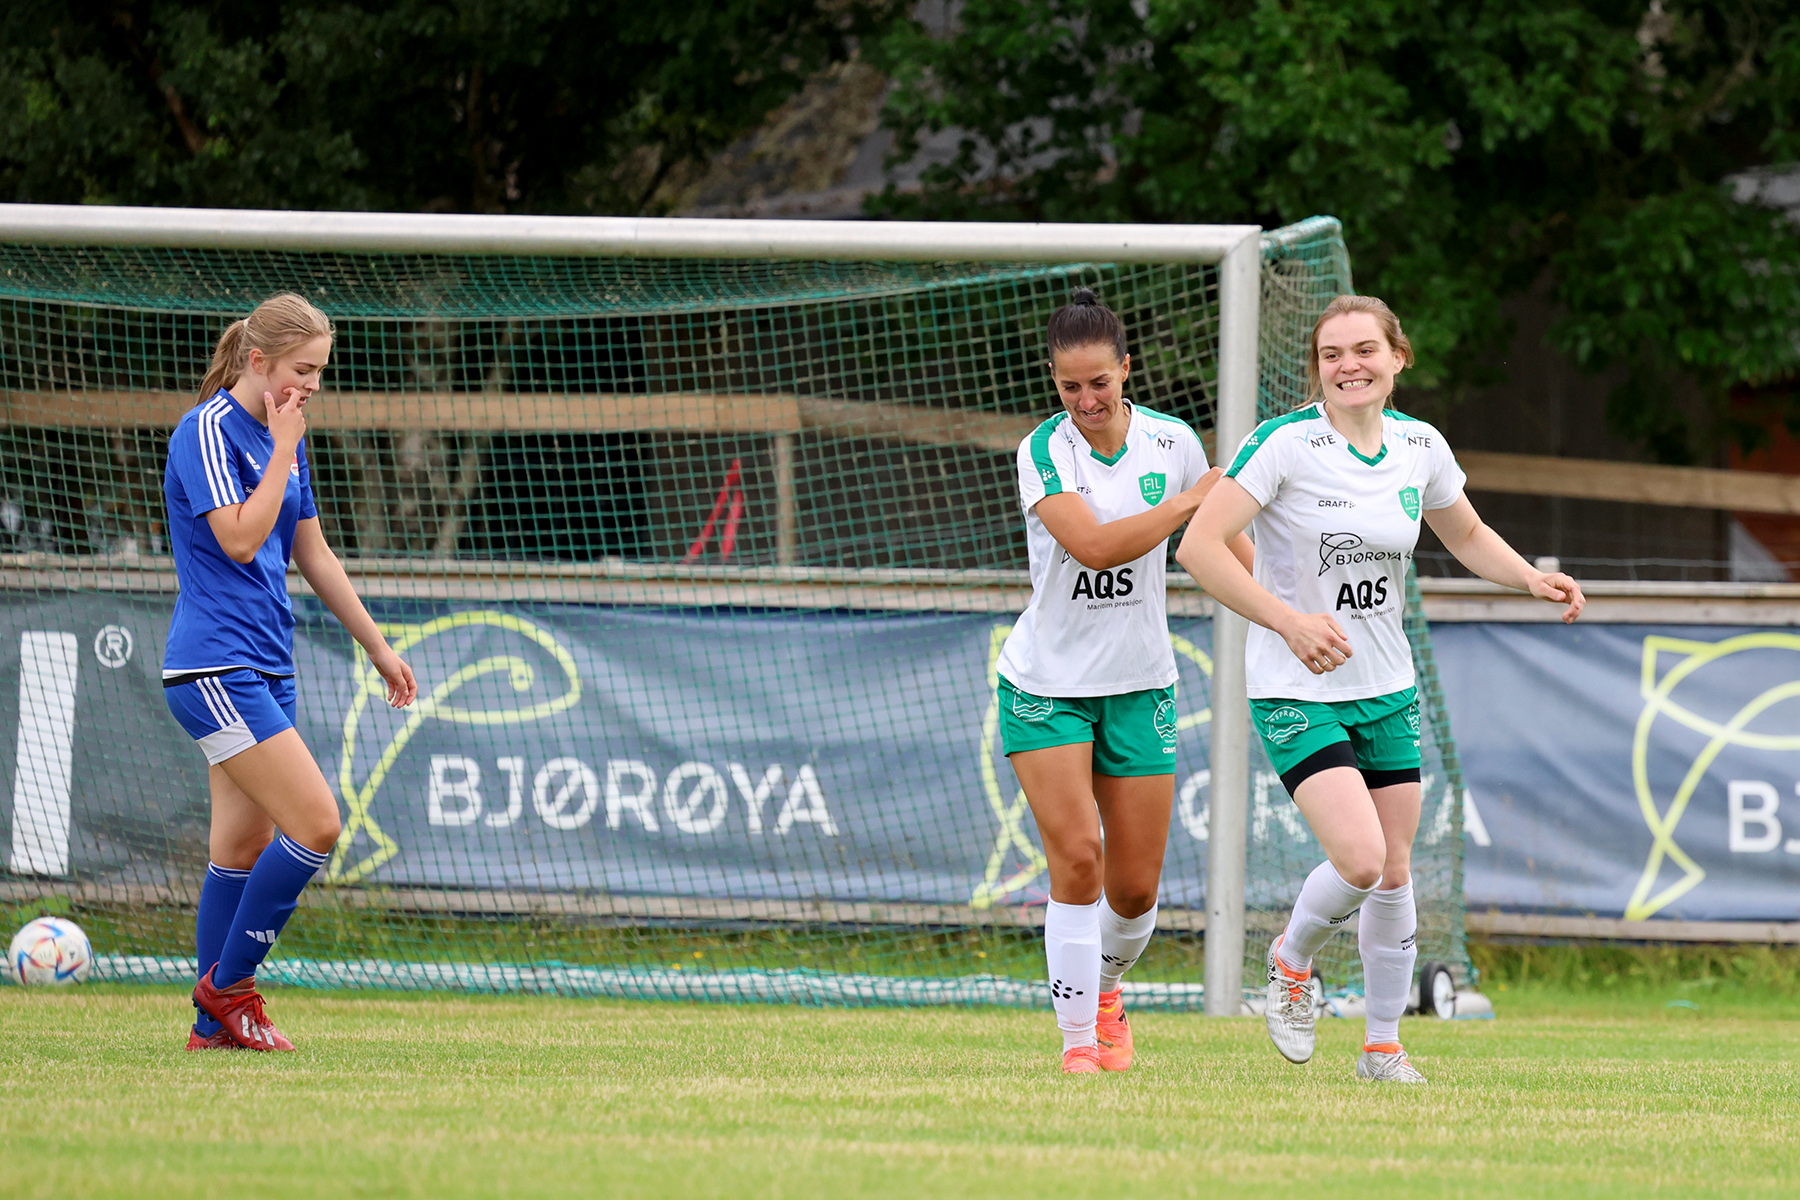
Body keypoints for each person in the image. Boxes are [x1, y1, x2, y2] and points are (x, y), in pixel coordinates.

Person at [1177, 294, 1584, 1082]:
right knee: (1360, 861)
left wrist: (1529, 577)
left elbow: (1462, 532)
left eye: (1365, 350)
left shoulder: (1418, 446)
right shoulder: (1284, 444)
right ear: (1317, 370)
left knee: (1396, 871)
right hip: (1296, 687)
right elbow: (1201, 544)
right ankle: (1291, 963)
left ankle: (1382, 1048)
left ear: (1399, 358)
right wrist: (1289, 621)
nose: (1348, 366)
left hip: (1387, 686)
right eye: (1332, 354)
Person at [997, 288, 1255, 1074]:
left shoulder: (1172, 441)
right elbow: (1096, 548)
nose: (1086, 400)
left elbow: (1226, 551)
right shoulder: (1044, 451)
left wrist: (1282, 608)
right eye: (1070, 387)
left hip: (1141, 684)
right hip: (1047, 685)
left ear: (1126, 369)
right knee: (1077, 859)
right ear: (1054, 382)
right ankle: (1079, 1048)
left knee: (1136, 889)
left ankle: (1104, 989)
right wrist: (1189, 502)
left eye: (1100, 383)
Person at [162, 293, 417, 1051]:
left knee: (240, 849)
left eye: (319, 374)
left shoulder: (287, 437)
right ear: (257, 360)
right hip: (214, 667)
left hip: (269, 667)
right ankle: (230, 987)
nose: (309, 386)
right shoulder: (205, 430)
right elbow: (239, 540)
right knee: (318, 824)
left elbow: (312, 552)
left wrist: (376, 645)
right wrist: (279, 449)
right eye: (300, 370)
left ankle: (214, 1026)